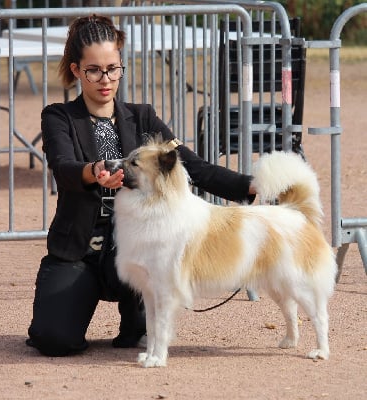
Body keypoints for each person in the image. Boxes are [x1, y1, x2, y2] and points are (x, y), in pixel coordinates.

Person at [26, 14, 256, 357]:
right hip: (81, 250)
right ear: (75, 70)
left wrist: (252, 187)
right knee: (54, 340)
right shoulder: (58, 116)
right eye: (93, 70)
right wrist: (94, 171)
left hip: (139, 246)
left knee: (139, 326)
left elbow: (193, 166)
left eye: (113, 68)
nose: (105, 79)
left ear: (121, 65)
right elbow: (64, 167)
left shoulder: (144, 117)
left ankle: (136, 319)